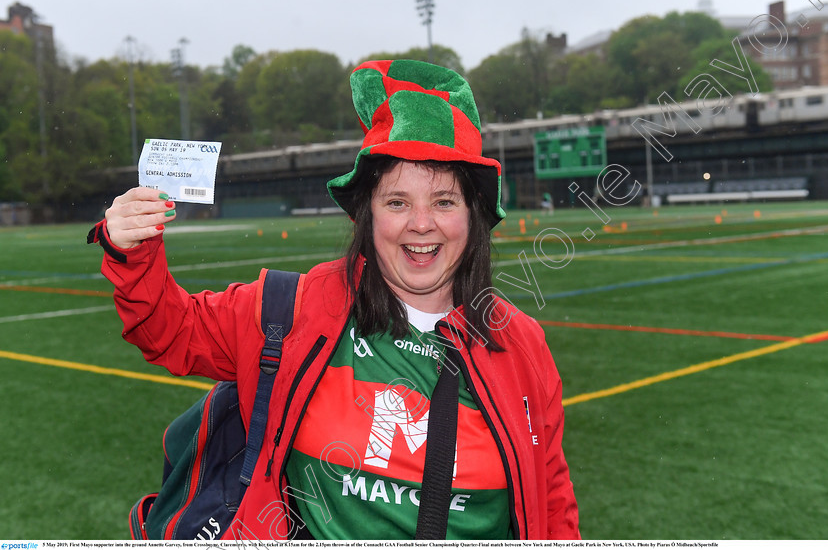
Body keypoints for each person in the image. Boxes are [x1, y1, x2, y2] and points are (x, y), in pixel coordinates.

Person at [89, 59, 579, 540]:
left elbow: (552, 499)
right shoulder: (295, 308)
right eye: (397, 201)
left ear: (474, 217)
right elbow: (169, 332)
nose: (421, 223)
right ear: (366, 215)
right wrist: (134, 253)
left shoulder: (522, 347)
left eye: (444, 201)